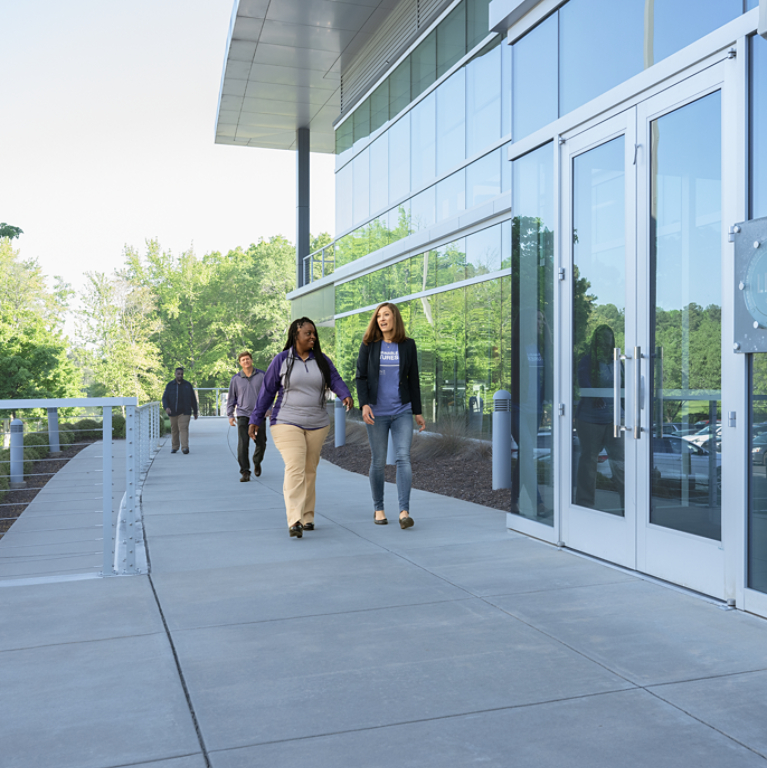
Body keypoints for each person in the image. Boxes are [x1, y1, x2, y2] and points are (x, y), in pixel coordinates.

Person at [248, 318, 353, 538]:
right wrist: (255, 418)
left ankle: (308, 516)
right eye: (308, 333)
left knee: (309, 470)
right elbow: (267, 391)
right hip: (286, 421)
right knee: (295, 466)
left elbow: (335, 379)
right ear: (296, 335)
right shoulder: (282, 360)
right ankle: (294, 519)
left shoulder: (322, 360)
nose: (313, 337)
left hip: (317, 423)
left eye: (314, 333)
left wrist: (345, 394)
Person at [355, 302, 426, 529]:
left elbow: (413, 379)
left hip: (402, 410)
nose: (382, 319)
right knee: (378, 461)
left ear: (395, 318)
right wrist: (364, 404)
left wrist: (418, 411)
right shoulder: (369, 345)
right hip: (377, 413)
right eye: (378, 316)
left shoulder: (408, 345)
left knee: (403, 457)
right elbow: (361, 377)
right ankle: (379, 508)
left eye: (386, 315)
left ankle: (404, 512)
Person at [574, 324, 625, 511]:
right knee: (588, 462)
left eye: (609, 336)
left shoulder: (618, 362)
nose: (606, 340)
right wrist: (595, 396)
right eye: (602, 337)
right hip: (590, 419)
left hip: (614, 419)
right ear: (596, 340)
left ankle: (629, 508)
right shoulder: (587, 361)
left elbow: (625, 385)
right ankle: (584, 506)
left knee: (620, 463)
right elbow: (584, 382)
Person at [227, 351, 268, 482]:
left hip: (258, 415)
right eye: (243, 360)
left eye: (248, 359)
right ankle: (245, 471)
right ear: (240, 363)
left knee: (261, 442)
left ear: (251, 360)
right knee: (243, 444)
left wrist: (269, 409)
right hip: (243, 415)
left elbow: (269, 393)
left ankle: (257, 461)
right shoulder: (236, 379)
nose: (246, 361)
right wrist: (230, 415)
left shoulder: (262, 376)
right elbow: (231, 398)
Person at [161, 367, 198, 454]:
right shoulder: (170, 385)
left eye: (181, 374)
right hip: (173, 411)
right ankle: (175, 447)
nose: (180, 375)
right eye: (178, 374)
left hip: (185, 411)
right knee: (174, 430)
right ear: (175, 374)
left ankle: (185, 448)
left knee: (183, 428)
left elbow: (193, 399)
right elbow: (165, 398)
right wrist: (166, 407)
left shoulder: (187, 385)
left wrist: (195, 411)